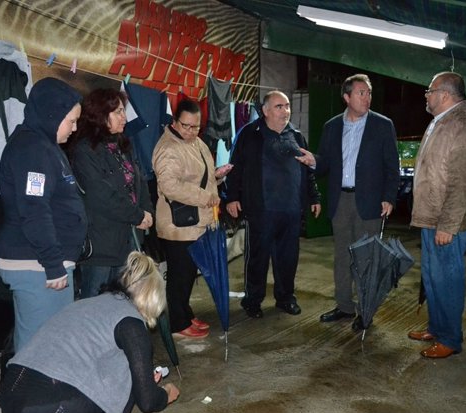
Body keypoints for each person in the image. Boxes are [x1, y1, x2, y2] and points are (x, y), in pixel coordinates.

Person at [0, 252, 180, 413]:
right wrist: (165, 394)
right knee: (126, 376)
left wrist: (144, 378)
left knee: (99, 382)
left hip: (11, 403)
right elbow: (147, 402)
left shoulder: (88, 304)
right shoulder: (131, 322)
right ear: (152, 298)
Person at [296, 74, 399, 331]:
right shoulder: (332, 126)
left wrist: (389, 197)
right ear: (347, 97)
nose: (367, 98)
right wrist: (314, 161)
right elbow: (327, 163)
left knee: (366, 258)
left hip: (371, 202)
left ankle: (366, 311)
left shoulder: (382, 125)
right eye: (361, 93)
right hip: (340, 199)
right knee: (342, 256)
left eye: (369, 93)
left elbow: (392, 166)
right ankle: (344, 306)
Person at [0, 77, 86, 352]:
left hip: (41, 262)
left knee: (48, 341)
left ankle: (37, 392)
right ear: (52, 114)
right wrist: (53, 264)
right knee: (40, 346)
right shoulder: (32, 149)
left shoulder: (45, 146)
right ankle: (29, 393)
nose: (75, 128)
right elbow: (34, 209)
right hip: (37, 264)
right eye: (71, 120)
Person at [408, 71, 466, 359]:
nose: (426, 96)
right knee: (432, 277)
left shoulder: (464, 125)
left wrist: (449, 225)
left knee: (447, 279)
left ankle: (450, 339)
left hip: (446, 222)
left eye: (429, 91)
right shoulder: (442, 121)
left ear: (444, 94)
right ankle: (437, 328)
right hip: (432, 217)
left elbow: (462, 182)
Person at [225, 90, 321, 319]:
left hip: (290, 210)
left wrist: (314, 197)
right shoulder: (250, 133)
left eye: (287, 106)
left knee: (288, 259)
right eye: (279, 106)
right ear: (265, 110)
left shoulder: (296, 135)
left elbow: (307, 170)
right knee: (257, 258)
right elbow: (234, 167)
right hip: (261, 210)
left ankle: (285, 298)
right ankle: (253, 300)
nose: (285, 111)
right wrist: (232, 197)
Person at [152, 98, 231, 338]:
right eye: (185, 125)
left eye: (195, 127)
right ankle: (177, 323)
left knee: (188, 274)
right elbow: (169, 186)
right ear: (175, 121)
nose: (190, 131)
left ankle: (185, 313)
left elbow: (199, 177)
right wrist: (204, 196)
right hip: (178, 224)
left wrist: (216, 177)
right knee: (179, 275)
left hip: (196, 221)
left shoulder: (197, 142)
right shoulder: (167, 147)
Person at [70, 87, 154, 299]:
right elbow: (101, 195)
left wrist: (147, 212)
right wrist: (137, 215)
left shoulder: (123, 145)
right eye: (117, 112)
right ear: (99, 114)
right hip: (101, 245)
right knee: (94, 304)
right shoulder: (85, 150)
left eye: (123, 111)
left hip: (129, 239)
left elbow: (140, 181)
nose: (124, 117)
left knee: (125, 301)